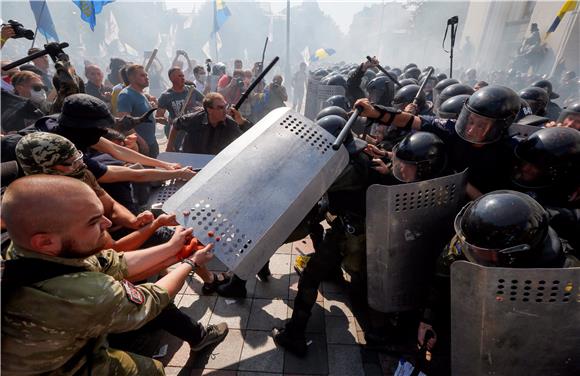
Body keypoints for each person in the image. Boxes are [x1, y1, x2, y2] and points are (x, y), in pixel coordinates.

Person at [1, 175, 228, 375]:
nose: (107, 223)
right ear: (45, 241)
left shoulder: (24, 251)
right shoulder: (84, 294)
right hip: (65, 367)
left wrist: (172, 249)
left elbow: (112, 262)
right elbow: (150, 300)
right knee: (150, 370)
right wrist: (190, 263)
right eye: (93, 222)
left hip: (66, 347)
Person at [273, 123, 451, 356]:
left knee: (330, 277)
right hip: (359, 230)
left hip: (359, 234)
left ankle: (296, 333)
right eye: (400, 165)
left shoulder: (360, 170)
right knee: (357, 279)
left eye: (408, 167)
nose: (401, 170)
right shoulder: (375, 164)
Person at [417, 190, 579, 357]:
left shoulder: (565, 275)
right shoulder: (470, 239)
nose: (469, 250)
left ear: (511, 254)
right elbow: (442, 275)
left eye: (479, 250)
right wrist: (427, 321)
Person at [355, 85, 521, 199]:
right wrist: (375, 112)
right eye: (470, 121)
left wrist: (460, 182)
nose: (470, 130)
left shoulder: (511, 152)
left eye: (481, 125)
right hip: (436, 198)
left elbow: (499, 205)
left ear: (501, 125)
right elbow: (412, 121)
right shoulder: (451, 130)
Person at [166, 92, 251, 154]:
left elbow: (247, 139)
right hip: (191, 161)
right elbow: (176, 124)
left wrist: (241, 121)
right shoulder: (194, 119)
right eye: (220, 107)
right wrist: (169, 148)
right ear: (209, 110)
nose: (225, 110)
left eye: (225, 106)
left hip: (213, 164)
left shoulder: (230, 124)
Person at [117, 64, 159, 157]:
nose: (147, 78)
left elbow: (141, 115)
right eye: (142, 75)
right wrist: (141, 142)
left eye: (146, 75)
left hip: (151, 141)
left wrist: (157, 119)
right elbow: (125, 123)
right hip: (140, 145)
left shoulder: (141, 92)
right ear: (131, 78)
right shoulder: (126, 95)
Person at [156, 67, 204, 146]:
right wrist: (168, 121)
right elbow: (159, 116)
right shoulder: (166, 96)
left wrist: (201, 109)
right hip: (177, 132)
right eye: (179, 76)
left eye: (183, 76)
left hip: (193, 130)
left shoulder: (191, 90)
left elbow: (206, 101)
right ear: (172, 78)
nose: (183, 78)